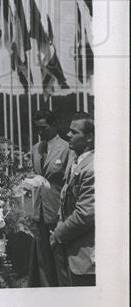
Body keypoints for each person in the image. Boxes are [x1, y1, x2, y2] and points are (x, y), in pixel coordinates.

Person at [26, 109, 75, 287]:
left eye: (44, 128)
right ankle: (46, 294)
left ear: (53, 125)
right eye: (37, 128)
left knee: (60, 259)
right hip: (39, 211)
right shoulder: (35, 149)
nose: (40, 132)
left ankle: (64, 293)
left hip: (58, 211)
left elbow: (68, 182)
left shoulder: (66, 148)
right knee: (42, 260)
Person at [50, 117, 95, 286]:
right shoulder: (76, 161)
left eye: (74, 132)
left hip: (85, 256)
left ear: (89, 137)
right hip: (72, 253)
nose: (68, 135)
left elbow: (85, 214)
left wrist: (58, 234)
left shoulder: (92, 167)